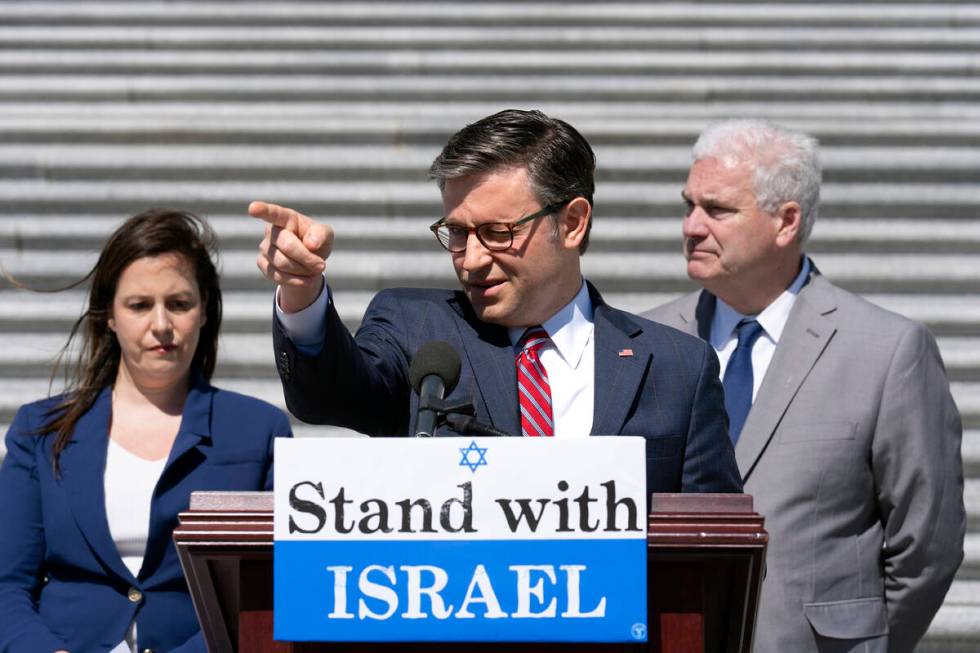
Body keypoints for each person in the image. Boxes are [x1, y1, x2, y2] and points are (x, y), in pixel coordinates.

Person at [251, 108, 741, 495]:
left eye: (496, 232)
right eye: (458, 233)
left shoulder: (678, 367)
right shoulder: (419, 332)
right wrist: (302, 293)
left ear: (571, 223)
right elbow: (334, 393)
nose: (471, 260)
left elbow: (717, 545)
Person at [643, 119, 965, 652]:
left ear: (785, 222)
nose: (692, 226)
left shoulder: (886, 350)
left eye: (717, 210)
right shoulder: (648, 342)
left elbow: (926, 544)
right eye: (688, 205)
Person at [0, 209, 293, 653]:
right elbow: (7, 586)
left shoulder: (259, 431)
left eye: (179, 304)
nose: (161, 325)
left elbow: (271, 593)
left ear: (204, 312)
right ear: (110, 317)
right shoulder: (39, 430)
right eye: (139, 305)